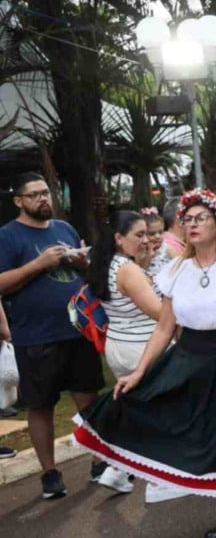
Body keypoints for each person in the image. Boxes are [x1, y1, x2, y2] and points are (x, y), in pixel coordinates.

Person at [73, 189, 216, 538]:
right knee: (178, 422)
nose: (191, 224)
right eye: (187, 219)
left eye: (200, 218)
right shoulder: (177, 268)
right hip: (190, 357)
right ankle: (201, 492)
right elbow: (164, 327)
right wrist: (140, 371)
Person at [0, 172, 105, 499]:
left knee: (88, 396)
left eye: (45, 192)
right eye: (33, 195)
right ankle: (50, 473)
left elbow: (85, 271)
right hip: (35, 336)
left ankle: (100, 461)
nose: (42, 199)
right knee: (41, 405)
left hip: (77, 330)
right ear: (19, 201)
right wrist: (40, 263)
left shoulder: (65, 229)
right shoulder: (8, 236)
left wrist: (85, 263)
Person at [85, 211, 165, 494]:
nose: (147, 240)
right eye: (139, 235)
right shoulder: (126, 269)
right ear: (119, 239)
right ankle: (157, 480)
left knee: (136, 412)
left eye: (149, 233)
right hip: (141, 346)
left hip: (119, 345)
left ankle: (117, 469)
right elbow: (158, 312)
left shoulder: (104, 262)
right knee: (159, 414)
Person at [140, 207, 169, 276]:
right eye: (152, 234)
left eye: (160, 232)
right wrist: (149, 255)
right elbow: (140, 271)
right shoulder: (141, 251)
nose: (157, 236)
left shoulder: (166, 248)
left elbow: (181, 263)